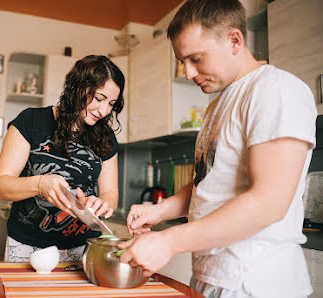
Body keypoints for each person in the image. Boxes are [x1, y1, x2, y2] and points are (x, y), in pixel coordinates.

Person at [118, 0, 317, 297]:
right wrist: (159, 211)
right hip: (213, 276)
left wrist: (169, 242)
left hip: (255, 283)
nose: (188, 73)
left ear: (234, 40)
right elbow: (206, 183)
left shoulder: (274, 89)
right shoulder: (216, 107)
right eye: (182, 62)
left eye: (196, 58)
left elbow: (269, 202)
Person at [0, 55, 125, 262]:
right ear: (78, 87)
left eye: (112, 104)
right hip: (27, 246)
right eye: (99, 99)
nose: (104, 110)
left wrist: (101, 204)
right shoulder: (31, 121)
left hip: (84, 246)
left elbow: (111, 192)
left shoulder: (106, 137)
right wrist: (40, 183)